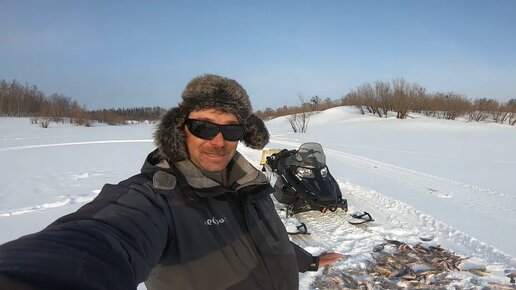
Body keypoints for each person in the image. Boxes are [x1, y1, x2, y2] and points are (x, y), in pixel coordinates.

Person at [0, 74, 342, 290]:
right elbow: (100, 241)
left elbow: (266, 238)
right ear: (182, 129)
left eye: (231, 129)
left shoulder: (251, 186)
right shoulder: (155, 197)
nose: (218, 141)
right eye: (205, 127)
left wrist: (306, 261)